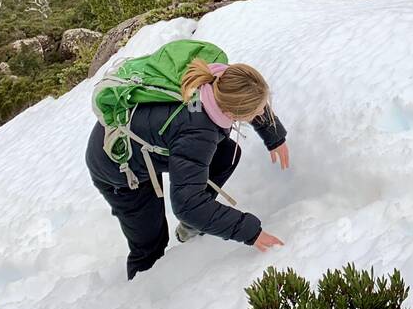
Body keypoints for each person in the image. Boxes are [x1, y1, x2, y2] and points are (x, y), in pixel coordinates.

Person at [87, 57, 289, 279]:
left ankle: (192, 227)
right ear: (232, 115)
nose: (261, 114)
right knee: (151, 244)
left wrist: (275, 136)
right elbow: (187, 204)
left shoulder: (220, 76)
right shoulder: (197, 131)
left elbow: (249, 94)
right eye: (255, 113)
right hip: (117, 167)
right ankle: (141, 300)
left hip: (152, 141)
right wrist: (252, 233)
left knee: (226, 155)